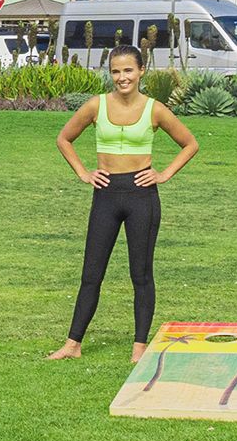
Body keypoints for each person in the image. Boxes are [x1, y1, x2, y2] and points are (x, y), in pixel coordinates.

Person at [44, 45, 198, 362]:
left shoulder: (155, 110)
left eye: (128, 70)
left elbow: (190, 143)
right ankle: (73, 344)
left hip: (142, 196)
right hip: (106, 194)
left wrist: (164, 174)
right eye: (115, 71)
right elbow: (64, 138)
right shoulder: (95, 106)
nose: (121, 77)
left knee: (140, 274)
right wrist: (83, 173)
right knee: (91, 273)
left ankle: (139, 346)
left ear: (141, 71)